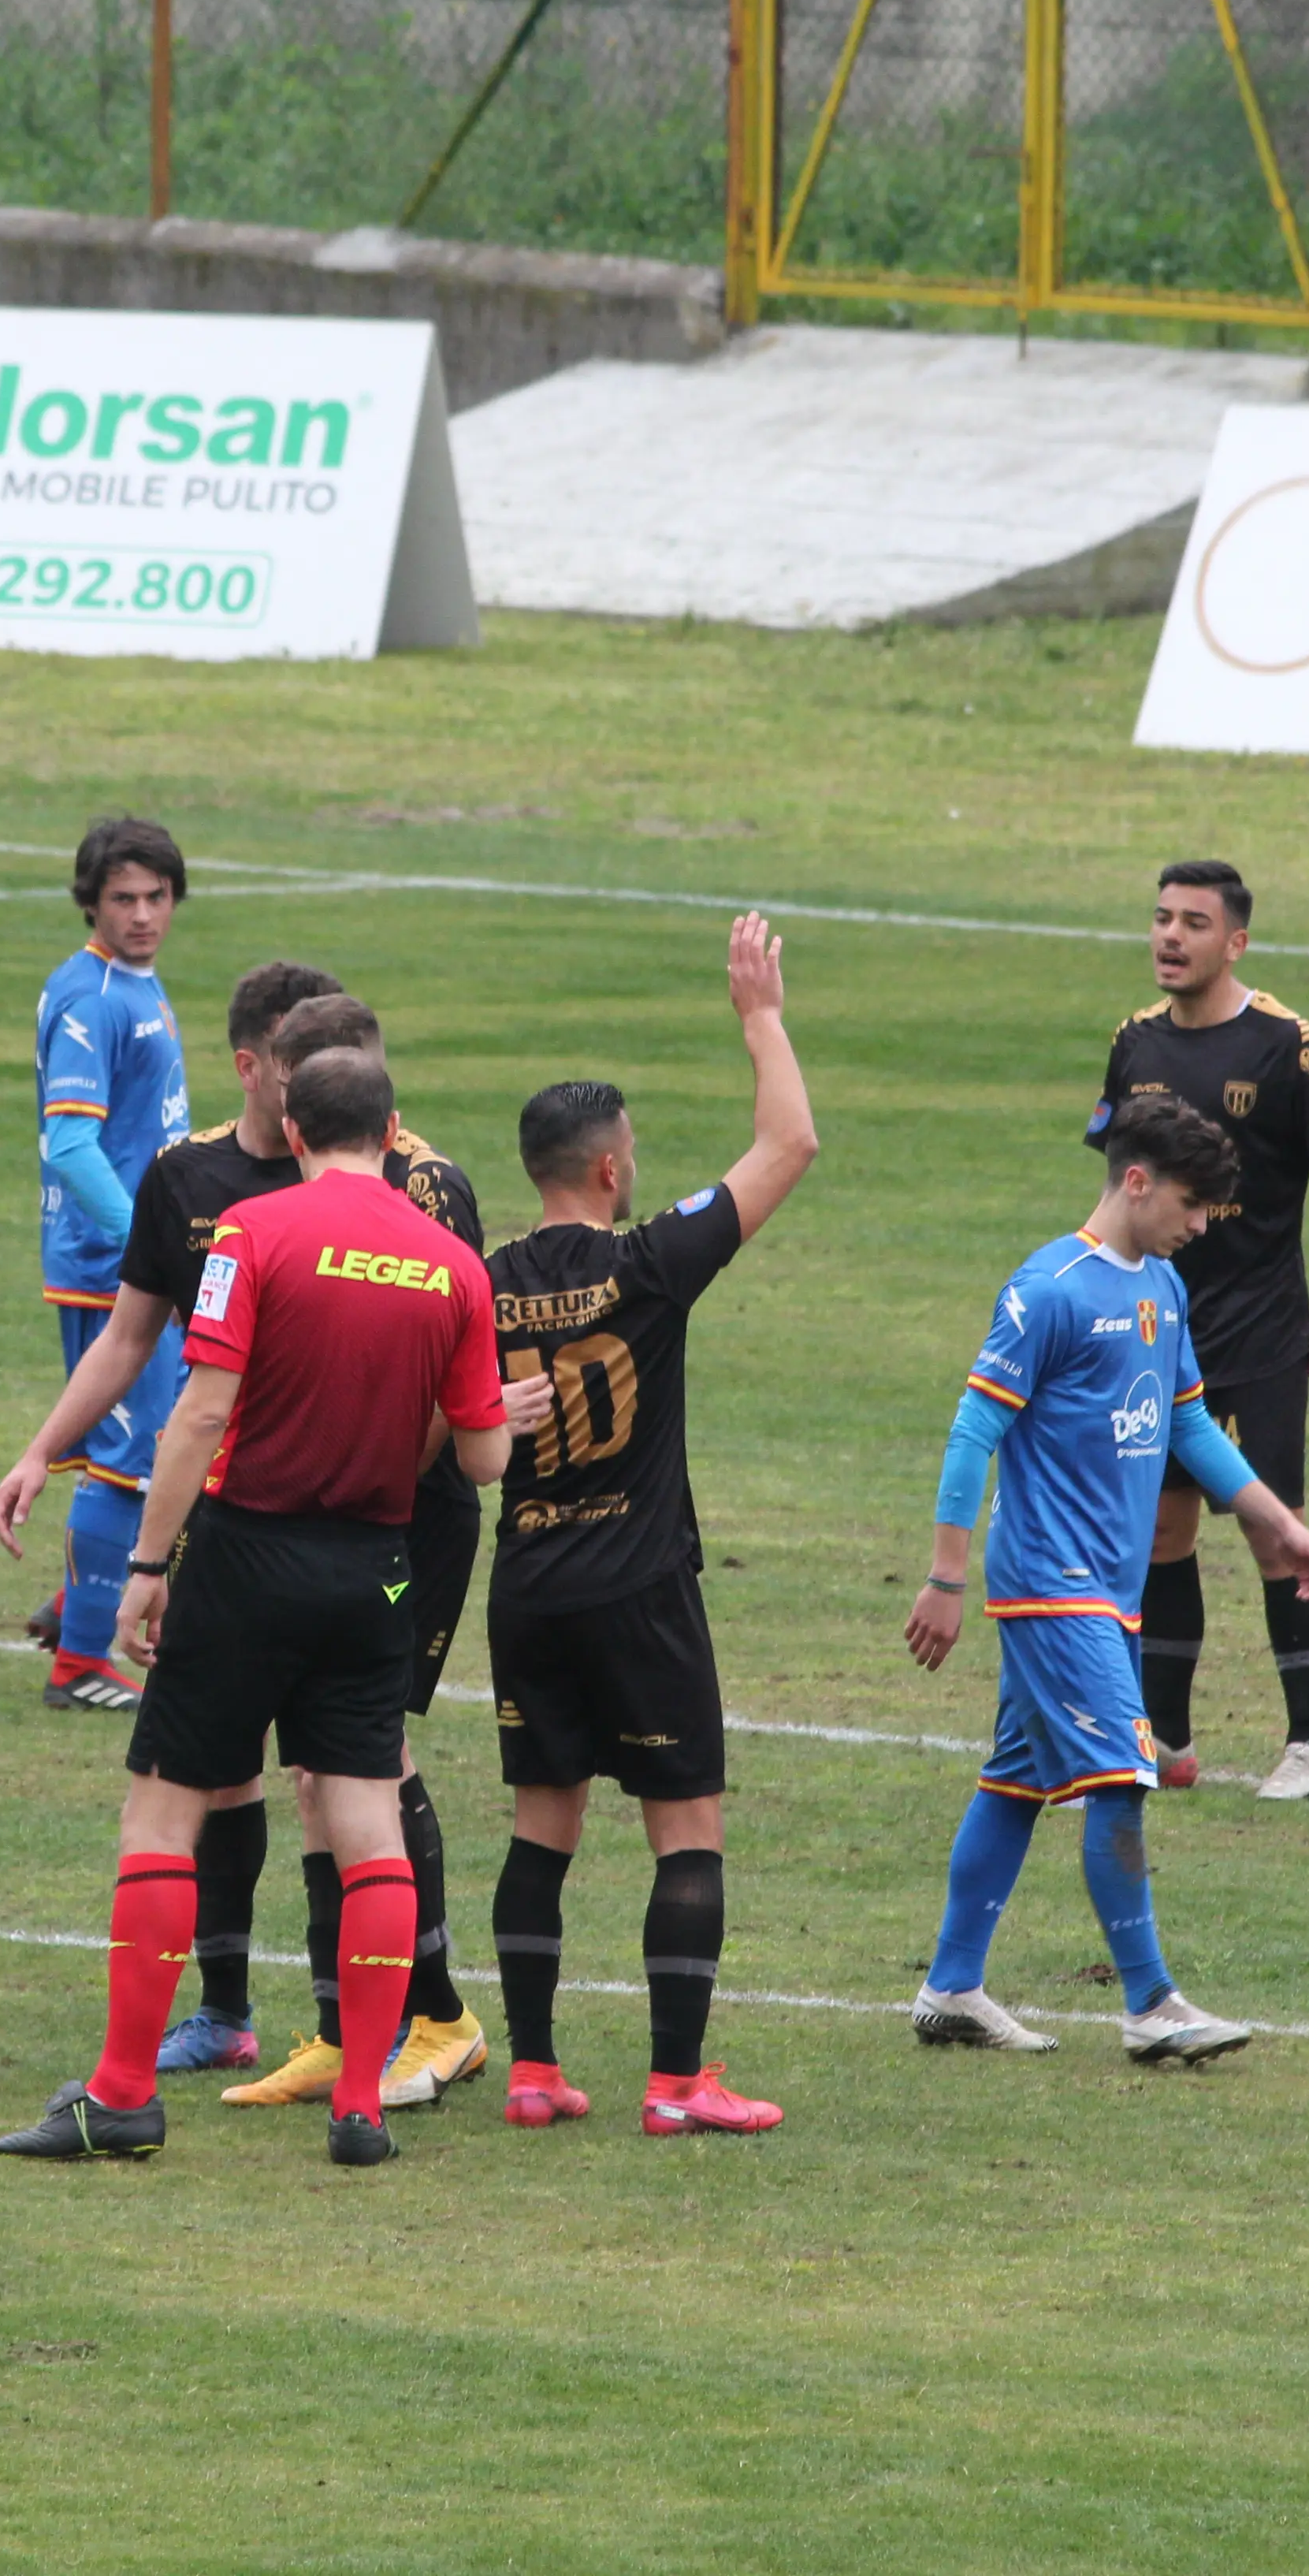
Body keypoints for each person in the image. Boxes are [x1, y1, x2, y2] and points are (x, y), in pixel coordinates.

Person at [0, 1046, 510, 2169]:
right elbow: (480, 1460)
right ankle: (362, 2106)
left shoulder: (250, 1237)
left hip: (246, 1559)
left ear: (287, 1117)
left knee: (164, 1814)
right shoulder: (453, 1266)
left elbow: (200, 1406)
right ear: (393, 1126)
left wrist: (145, 1563)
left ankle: (124, 2095)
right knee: (369, 1822)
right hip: (376, 1570)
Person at [902, 1092, 1309, 2066]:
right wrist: (945, 1575)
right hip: (1051, 1579)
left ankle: (950, 1987)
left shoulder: (1166, 1288)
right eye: (1189, 1206)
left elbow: (1186, 1424)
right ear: (1135, 1181)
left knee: (1017, 1781)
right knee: (1125, 1776)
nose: (1197, 1227)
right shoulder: (1049, 1288)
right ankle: (1150, 2003)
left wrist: (1279, 1523)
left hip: (1111, 1583)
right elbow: (976, 1427)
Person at [482, 914, 816, 2138]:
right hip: (640, 1590)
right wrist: (759, 1016)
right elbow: (792, 1141)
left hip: (526, 1589)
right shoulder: (652, 1264)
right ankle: (677, 2084)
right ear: (613, 1170)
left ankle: (532, 2073)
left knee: (543, 1825)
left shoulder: (483, 1277)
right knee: (686, 1830)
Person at [1093, 860, 1309, 1800]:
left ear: (1236, 942)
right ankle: (1165, 1739)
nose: (1171, 937)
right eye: (1163, 919)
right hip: (1152, 1331)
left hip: (1258, 1334)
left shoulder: (1291, 1047)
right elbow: (1115, 1183)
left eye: (1195, 924)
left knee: (1271, 1532)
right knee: (1160, 1531)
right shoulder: (1133, 1042)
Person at [26, 816, 192, 1709]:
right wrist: (148, 1246)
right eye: (122, 898)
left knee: (142, 1449)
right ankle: (81, 1664)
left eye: (155, 897)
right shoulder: (92, 999)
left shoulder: (132, 985)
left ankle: (73, 1605)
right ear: (90, 900)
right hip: (112, 1266)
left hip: (129, 1259)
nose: (140, 914)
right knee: (129, 1460)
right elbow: (71, 1147)